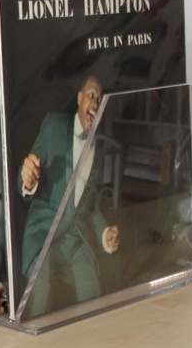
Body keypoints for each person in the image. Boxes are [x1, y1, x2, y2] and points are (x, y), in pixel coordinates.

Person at [16, 74, 120, 315]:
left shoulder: (99, 148)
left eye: (100, 100)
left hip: (76, 237)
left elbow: (91, 207)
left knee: (93, 295)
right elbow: (28, 171)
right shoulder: (54, 125)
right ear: (80, 98)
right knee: (40, 295)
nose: (95, 103)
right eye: (92, 95)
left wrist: (105, 233)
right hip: (45, 233)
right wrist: (27, 179)